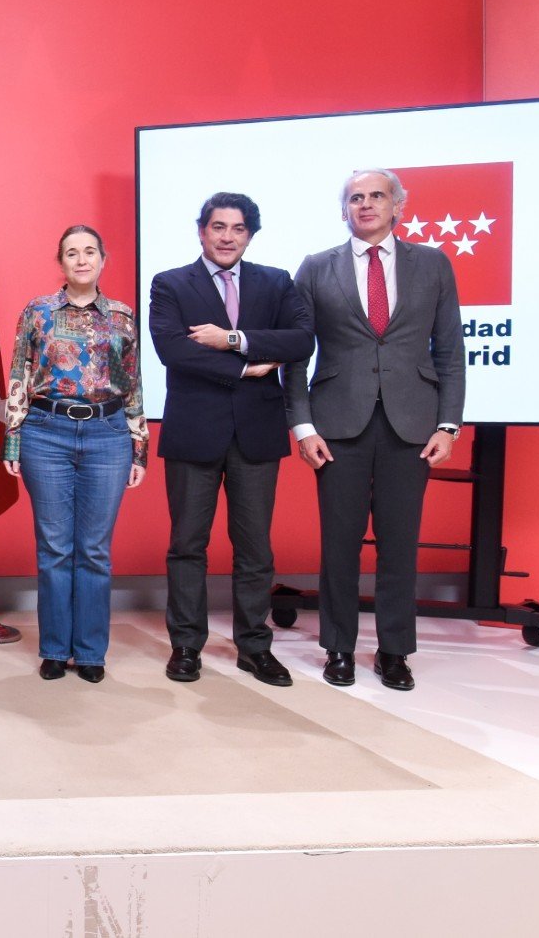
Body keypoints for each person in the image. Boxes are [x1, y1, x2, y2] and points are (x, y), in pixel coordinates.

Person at [285, 169, 465, 691]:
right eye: (355, 198)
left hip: (413, 425)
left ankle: (394, 652)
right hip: (336, 425)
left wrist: (448, 424)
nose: (365, 204)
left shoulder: (431, 263)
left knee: (400, 544)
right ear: (345, 210)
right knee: (338, 543)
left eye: (376, 196)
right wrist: (302, 427)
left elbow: (450, 349)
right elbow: (296, 359)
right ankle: (338, 647)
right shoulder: (317, 268)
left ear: (397, 206)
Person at [148, 193, 313, 687]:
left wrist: (232, 338)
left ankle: (254, 648)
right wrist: (247, 365)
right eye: (217, 227)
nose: (226, 237)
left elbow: (302, 340)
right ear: (201, 231)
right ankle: (185, 645)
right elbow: (172, 350)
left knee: (255, 548)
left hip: (256, 435)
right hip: (193, 432)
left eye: (237, 229)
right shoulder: (171, 283)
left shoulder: (275, 281)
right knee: (187, 546)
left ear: (250, 234)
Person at [2, 225, 147, 684]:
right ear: (60, 262)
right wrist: (13, 436)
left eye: (89, 252)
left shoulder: (122, 316)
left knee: (95, 551)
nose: (81, 260)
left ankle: (89, 652)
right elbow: (19, 374)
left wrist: (138, 448)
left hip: (107, 435)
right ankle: (53, 649)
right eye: (71, 253)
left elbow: (133, 384)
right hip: (47, 432)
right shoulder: (38, 312)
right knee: (55, 548)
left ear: (103, 259)